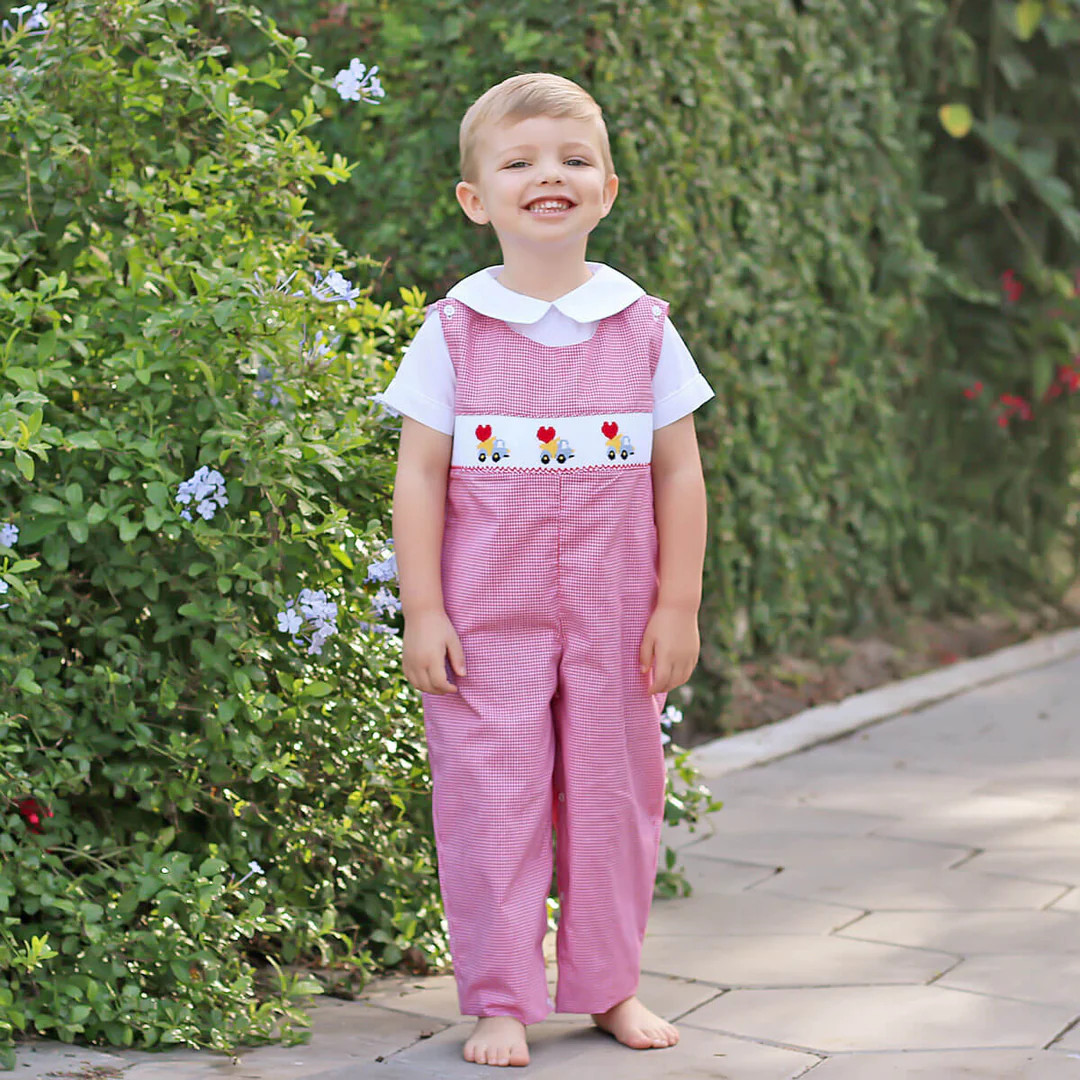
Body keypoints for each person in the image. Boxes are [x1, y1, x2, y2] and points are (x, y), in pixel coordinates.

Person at [375, 71, 713, 1069]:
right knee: (493, 795)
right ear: (478, 199)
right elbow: (420, 476)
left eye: (572, 158)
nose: (548, 176)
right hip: (486, 619)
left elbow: (682, 470)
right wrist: (424, 608)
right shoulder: (454, 332)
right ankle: (500, 996)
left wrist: (679, 604)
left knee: (614, 793)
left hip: (616, 615)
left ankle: (609, 984)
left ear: (608, 188)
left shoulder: (643, 327)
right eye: (518, 161)